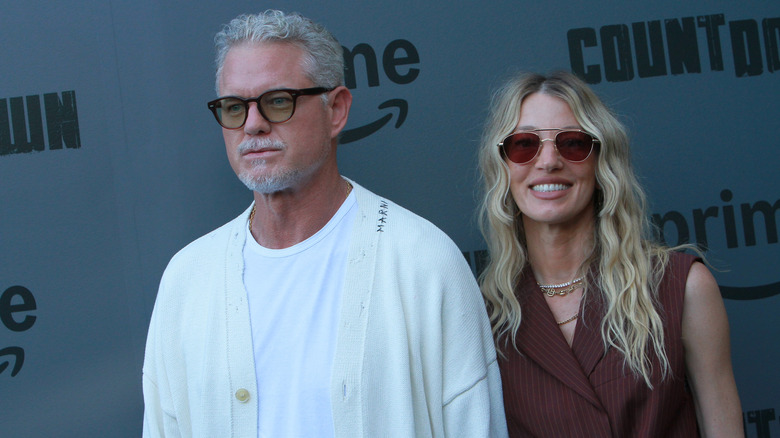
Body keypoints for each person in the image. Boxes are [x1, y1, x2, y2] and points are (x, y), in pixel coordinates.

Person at [142, 9, 507, 438]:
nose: (253, 124)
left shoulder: (424, 261)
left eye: (278, 101)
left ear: (336, 110)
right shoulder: (187, 280)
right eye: (234, 107)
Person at [477, 71, 743, 437]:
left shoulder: (681, 286)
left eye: (572, 143)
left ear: (601, 160)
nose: (549, 161)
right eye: (525, 144)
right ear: (504, 166)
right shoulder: (483, 317)